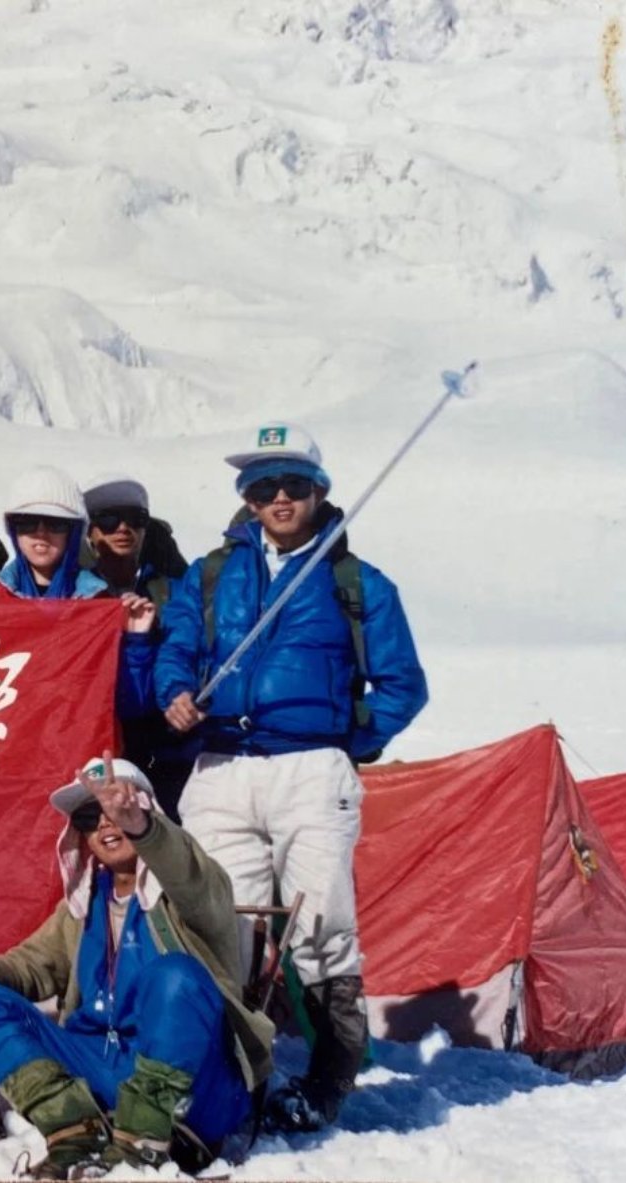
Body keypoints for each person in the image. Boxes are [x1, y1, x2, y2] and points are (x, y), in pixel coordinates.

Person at [120, 421, 428, 1133]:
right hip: (221, 765)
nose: (278, 498)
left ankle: (326, 1083)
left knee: (320, 927)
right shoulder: (210, 574)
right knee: (222, 928)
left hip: (309, 771)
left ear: (318, 491)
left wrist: (342, 737)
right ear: (247, 498)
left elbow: (403, 685)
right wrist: (174, 692)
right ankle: (234, 1078)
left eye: (293, 484)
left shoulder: (356, 583)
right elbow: (176, 649)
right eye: (263, 487)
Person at [0, 757, 274, 1178]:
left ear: (146, 809)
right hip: (103, 1068)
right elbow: (29, 967)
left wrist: (142, 828)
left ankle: (143, 1145)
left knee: (175, 977)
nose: (106, 823)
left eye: (117, 809)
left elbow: (189, 872)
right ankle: (75, 1131)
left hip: (193, 1087)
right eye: (89, 818)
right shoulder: (84, 904)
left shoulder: (193, 898)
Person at [83, 474, 195, 824]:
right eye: (108, 520)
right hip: (98, 742)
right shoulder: (76, 594)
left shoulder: (175, 591)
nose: (123, 529)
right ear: (89, 533)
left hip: (163, 744)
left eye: (135, 519)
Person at [0, 466, 108, 600]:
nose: (41, 533)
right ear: (13, 530)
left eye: (55, 522)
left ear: (73, 532)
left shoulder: (102, 601)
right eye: (27, 522)